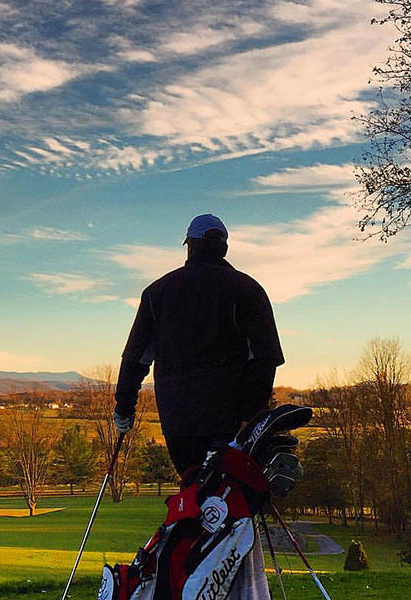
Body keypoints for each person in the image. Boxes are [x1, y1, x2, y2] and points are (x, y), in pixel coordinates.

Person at [113, 213, 284, 599]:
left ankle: (184, 583)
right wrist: (250, 415)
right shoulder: (246, 289)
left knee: (196, 509)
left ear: (188, 246)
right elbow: (266, 358)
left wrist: (124, 410)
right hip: (232, 429)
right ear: (224, 246)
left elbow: (135, 359)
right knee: (231, 512)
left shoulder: (158, 292)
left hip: (178, 424)